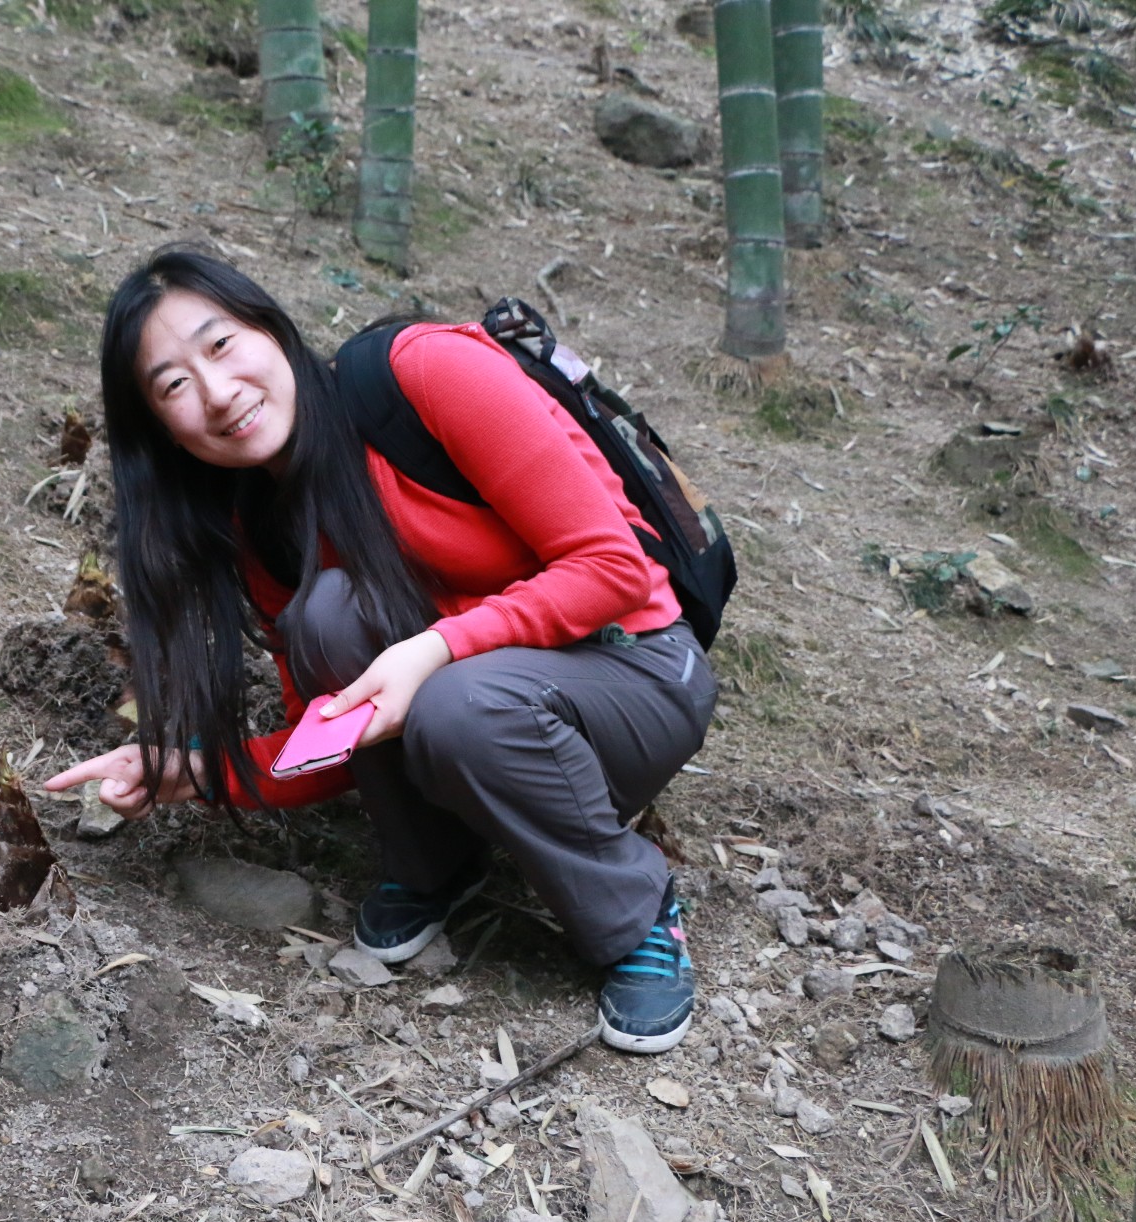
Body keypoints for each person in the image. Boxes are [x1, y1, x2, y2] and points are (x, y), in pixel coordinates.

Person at [46, 248, 718, 1054]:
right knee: (327, 615)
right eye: (175, 385)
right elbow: (329, 741)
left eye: (220, 345)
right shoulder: (262, 522)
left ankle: (635, 911)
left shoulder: (422, 373)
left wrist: (435, 648)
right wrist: (190, 770)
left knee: (455, 702)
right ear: (163, 433)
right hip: (491, 709)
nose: (218, 393)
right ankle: (437, 859)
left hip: (635, 671)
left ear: (272, 327)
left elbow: (612, 568)